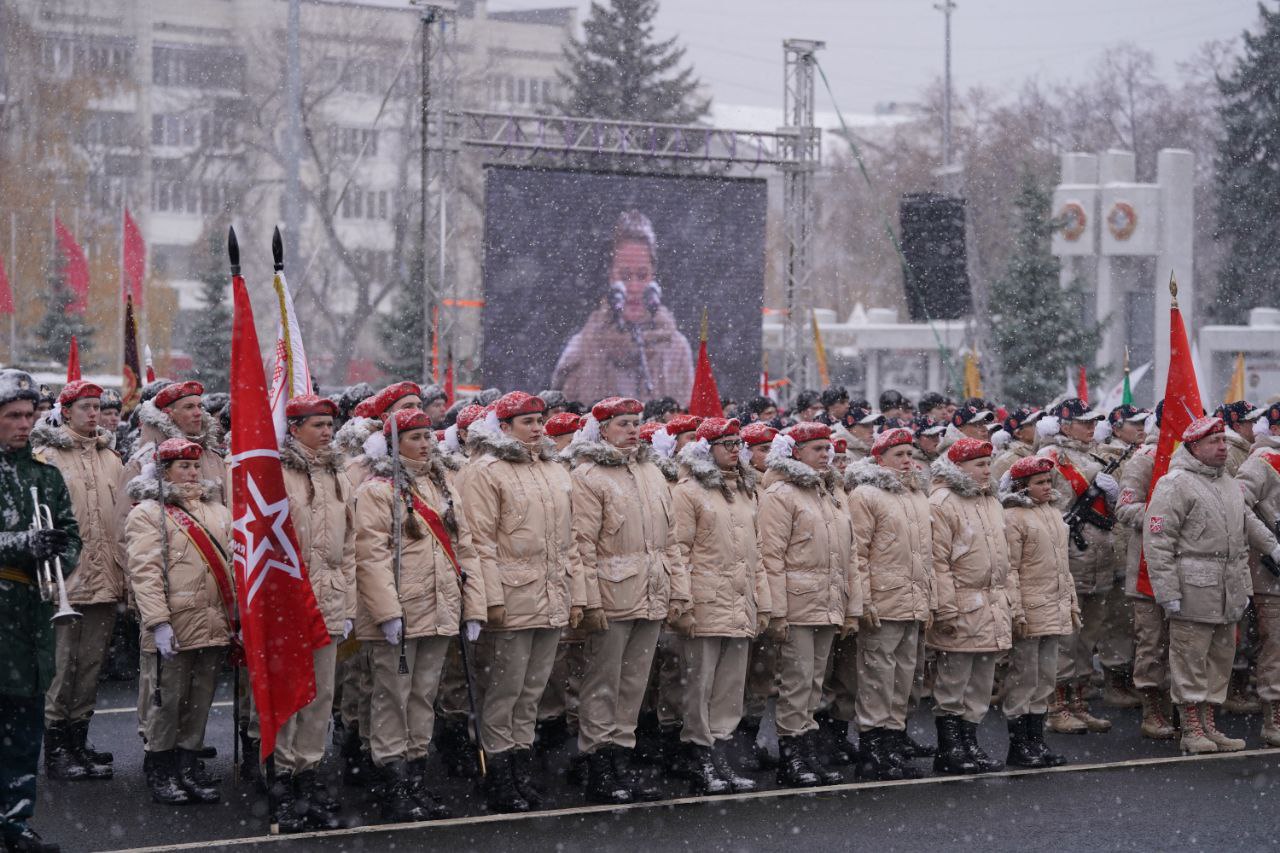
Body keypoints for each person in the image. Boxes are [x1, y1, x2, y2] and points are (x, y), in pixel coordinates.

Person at [353, 408, 484, 821]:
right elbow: (369, 557)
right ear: (394, 443)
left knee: (423, 696)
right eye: (414, 437)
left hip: (441, 606)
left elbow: (466, 549)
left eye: (428, 436)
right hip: (402, 612)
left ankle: (414, 776)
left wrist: (473, 606)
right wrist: (388, 612)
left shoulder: (442, 484)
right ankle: (392, 781)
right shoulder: (377, 489)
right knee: (393, 696)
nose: (425, 443)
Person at [458, 392, 585, 813]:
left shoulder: (552, 468)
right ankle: (498, 773)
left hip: (549, 593)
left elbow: (570, 543)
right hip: (511, 596)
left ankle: (520, 764)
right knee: (503, 689)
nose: (536, 428)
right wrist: (489, 598)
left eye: (538, 420)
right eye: (526, 421)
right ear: (505, 426)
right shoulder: (485, 471)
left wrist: (574, 594)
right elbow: (479, 542)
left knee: (531, 691)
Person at [570, 396, 690, 805]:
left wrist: (678, 591)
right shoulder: (589, 475)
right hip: (611, 592)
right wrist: (588, 601)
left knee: (633, 685)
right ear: (602, 429)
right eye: (623, 423)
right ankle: (597, 764)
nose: (633, 429)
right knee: (602, 683)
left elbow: (669, 541)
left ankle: (621, 757)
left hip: (650, 592)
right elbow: (581, 544)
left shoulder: (650, 471)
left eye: (636, 422)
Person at [1144, 415, 1280, 753]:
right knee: (1190, 658)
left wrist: (1273, 547)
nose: (1222, 447)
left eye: (1223, 441)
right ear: (1193, 447)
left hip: (1230, 584)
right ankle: (1191, 729)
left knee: (1220, 658)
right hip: (1193, 585)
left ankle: (1209, 725)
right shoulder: (1174, 483)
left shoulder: (1227, 482)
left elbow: (1247, 520)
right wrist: (1167, 591)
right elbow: (1158, 540)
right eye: (1213, 442)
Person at [125, 437, 232, 806]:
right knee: (165, 701)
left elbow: (232, 566)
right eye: (182, 466)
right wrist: (158, 621)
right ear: (164, 470)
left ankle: (187, 767)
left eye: (194, 466)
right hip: (174, 621)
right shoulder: (148, 512)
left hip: (213, 621)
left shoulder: (217, 511)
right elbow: (145, 572)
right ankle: (161, 769)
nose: (190, 472)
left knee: (200, 700)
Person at [0, 369, 80, 853]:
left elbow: (71, 533)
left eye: (29, 415)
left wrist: (56, 552)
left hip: (30, 617)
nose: (23, 424)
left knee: (24, 732)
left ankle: (14, 822)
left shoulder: (46, 476)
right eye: (12, 416)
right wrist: (19, 544)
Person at [758, 421, 860, 788]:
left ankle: (806, 749)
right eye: (817, 448)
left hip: (826, 601)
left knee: (814, 682)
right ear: (795, 452)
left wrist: (852, 607)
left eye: (827, 448)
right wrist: (777, 611)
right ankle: (792, 755)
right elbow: (770, 557)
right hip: (798, 604)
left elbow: (849, 556)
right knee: (797, 683)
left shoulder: (828, 493)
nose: (826, 455)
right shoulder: (781, 495)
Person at [32, 381, 124, 782]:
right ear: (65, 411)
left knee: (90, 668)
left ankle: (77, 741)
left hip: (104, 581)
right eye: (84, 407)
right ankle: (56, 752)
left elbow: (122, 522)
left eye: (97, 407)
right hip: (66, 582)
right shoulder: (46, 457)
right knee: (61, 669)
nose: (93, 414)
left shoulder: (112, 458)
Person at [671, 418, 767, 795]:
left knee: (729, 686)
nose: (733, 449)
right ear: (705, 449)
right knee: (700, 684)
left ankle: (722, 752)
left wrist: (764, 603)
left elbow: (756, 554)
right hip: (706, 599)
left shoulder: (745, 490)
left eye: (736, 442)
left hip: (740, 600)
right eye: (725, 443)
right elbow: (678, 550)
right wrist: (683, 601)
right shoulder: (689, 491)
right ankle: (700, 756)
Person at [273, 395, 354, 832]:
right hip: (289, 601)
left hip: (331, 598)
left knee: (321, 696)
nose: (327, 431)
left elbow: (352, 546)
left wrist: (351, 603)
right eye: (317, 424)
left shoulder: (338, 473)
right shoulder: (276, 473)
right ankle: (281, 781)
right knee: (289, 695)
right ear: (295, 427)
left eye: (330, 424)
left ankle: (308, 776)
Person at [846, 428, 936, 780]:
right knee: (877, 678)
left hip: (911, 601)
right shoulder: (866, 495)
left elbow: (926, 556)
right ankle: (873, 750)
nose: (906, 461)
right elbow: (859, 554)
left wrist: (929, 599)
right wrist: (864, 600)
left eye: (908, 454)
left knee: (904, 679)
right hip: (883, 602)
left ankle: (894, 744)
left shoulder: (915, 496)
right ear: (879, 458)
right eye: (897, 455)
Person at [927, 437, 1012, 774]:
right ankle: (949, 748)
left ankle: (969, 742)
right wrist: (946, 608)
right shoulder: (943, 502)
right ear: (959, 467)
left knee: (980, 682)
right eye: (979, 464)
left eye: (988, 464)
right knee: (954, 681)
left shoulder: (990, 501)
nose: (986, 471)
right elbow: (939, 562)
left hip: (990, 602)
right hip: (962, 601)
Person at [550, 211, 694, 404]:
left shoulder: (676, 350)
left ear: (654, 278)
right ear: (611, 277)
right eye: (625, 276)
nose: (633, 288)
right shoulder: (581, 349)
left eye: (642, 276)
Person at [1040, 398, 1118, 734]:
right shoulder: (1051, 458)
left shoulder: (1098, 455)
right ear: (1064, 424)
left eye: (1092, 422)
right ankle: (1057, 706)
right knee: (1065, 637)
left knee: (1089, 636)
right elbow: (1043, 504)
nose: (1090, 427)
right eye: (1083, 422)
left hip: (1099, 559)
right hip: (1069, 557)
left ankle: (1079, 702)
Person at [999, 454, 1076, 768]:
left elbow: (1063, 567)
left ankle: (1036, 741)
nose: (1047, 487)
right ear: (1023, 486)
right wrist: (1016, 610)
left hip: (1053, 605)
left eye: (1048, 481)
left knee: (1045, 677)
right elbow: (1011, 569)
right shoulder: (1014, 517)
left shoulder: (1053, 513)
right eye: (1039, 482)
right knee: (1023, 677)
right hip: (1031, 606)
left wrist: (1070, 601)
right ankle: (1019, 745)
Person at [1114, 405, 1177, 739]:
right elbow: (1125, 507)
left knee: (1183, 645)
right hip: (1149, 566)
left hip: (1187, 568)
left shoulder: (1198, 459)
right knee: (1151, 644)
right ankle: (1153, 710)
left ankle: (1181, 707)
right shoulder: (1146, 458)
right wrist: (1164, 518)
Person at [1238, 402, 1280, 746]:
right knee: (1275, 648)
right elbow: (1238, 505)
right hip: (1272, 575)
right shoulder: (1261, 461)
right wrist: (1270, 545)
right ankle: (1273, 719)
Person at [990, 407, 1044, 483]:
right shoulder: (1006, 461)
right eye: (1032, 424)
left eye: (1037, 421)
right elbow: (997, 491)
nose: (1038, 425)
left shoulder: (1041, 450)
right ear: (1018, 433)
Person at [1218, 400, 1264, 476]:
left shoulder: (1258, 444)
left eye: (1260, 418)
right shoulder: (1228, 456)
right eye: (1254, 420)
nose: (1260, 424)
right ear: (1237, 427)